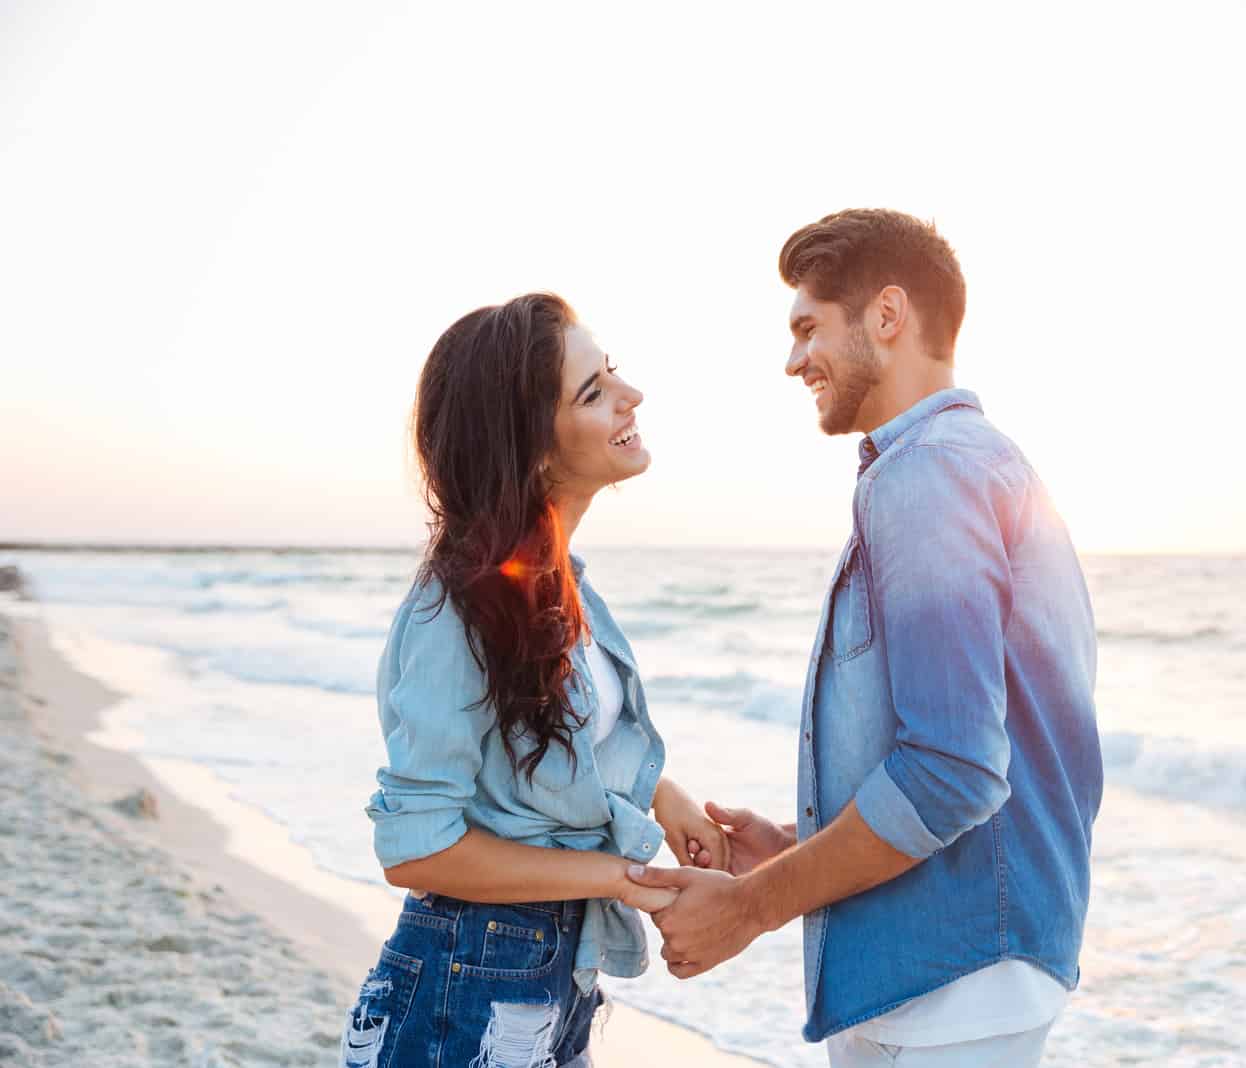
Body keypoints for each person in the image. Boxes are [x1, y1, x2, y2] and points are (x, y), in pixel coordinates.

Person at [628, 210, 1104, 1067]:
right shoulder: (968, 465)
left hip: (953, 982)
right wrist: (800, 854)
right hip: (937, 971)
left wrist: (752, 906)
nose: (792, 360)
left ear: (887, 316)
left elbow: (954, 769)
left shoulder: (928, 474)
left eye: (808, 327)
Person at [340, 292, 728, 1068]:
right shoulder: (455, 610)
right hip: (465, 981)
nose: (632, 395)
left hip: (549, 977)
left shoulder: (554, 587)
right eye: (592, 392)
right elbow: (416, 850)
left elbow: (562, 746)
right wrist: (621, 877)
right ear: (533, 450)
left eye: (610, 372)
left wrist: (666, 795)